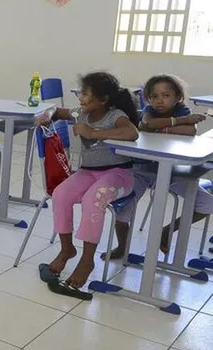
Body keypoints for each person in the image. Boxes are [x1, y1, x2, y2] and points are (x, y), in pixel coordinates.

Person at [36, 72, 140, 299]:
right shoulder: (81, 113)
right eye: (81, 92)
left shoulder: (115, 116)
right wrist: (49, 114)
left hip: (119, 175)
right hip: (88, 172)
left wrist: (94, 133)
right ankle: (67, 249)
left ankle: (87, 260)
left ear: (103, 100)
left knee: (94, 199)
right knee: (61, 193)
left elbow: (132, 132)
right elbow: (59, 111)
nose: (80, 98)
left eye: (86, 94)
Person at [107, 74, 208, 259]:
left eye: (165, 95)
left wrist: (161, 128)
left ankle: (167, 231)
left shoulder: (181, 108)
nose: (159, 100)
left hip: (172, 172)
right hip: (141, 171)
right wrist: (177, 123)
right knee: (122, 210)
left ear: (177, 97)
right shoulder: (150, 111)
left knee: (207, 204)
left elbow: (190, 131)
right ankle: (122, 247)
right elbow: (146, 123)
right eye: (154, 96)